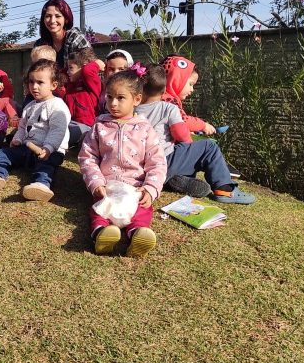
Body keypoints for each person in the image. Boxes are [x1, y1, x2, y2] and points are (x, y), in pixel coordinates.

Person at [78, 67, 167, 258]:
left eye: (120, 98)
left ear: (136, 99)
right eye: (109, 97)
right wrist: (96, 183)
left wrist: (150, 188)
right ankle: (102, 234)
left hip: (136, 187)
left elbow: (157, 162)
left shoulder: (145, 129)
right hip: (107, 185)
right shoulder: (99, 126)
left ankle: (138, 234)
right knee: (100, 209)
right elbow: (88, 157)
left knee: (142, 210)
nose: (113, 103)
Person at [138, 64, 255, 204]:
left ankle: (173, 179)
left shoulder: (128, 109)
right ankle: (225, 189)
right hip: (162, 162)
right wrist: (190, 146)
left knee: (180, 154)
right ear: (165, 88)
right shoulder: (168, 108)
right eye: (191, 84)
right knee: (208, 147)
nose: (192, 89)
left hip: (139, 168)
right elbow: (182, 136)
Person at [0, 60, 71, 202]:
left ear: (53, 85)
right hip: (27, 147)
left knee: (46, 166)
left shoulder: (58, 106)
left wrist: (48, 148)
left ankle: (41, 185)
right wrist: (18, 139)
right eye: (31, 82)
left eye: (40, 82)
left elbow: (58, 131)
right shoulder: (30, 106)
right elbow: (22, 127)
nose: (34, 87)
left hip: (49, 150)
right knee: (1, 154)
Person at [161, 54, 216, 135]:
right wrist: (203, 125)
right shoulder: (167, 100)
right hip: (163, 146)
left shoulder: (159, 97)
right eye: (191, 84)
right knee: (210, 146)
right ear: (176, 79)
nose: (192, 89)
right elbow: (182, 121)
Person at [33, 0, 92, 69]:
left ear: (66, 19)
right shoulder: (40, 44)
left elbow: (89, 67)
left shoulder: (75, 38)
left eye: (57, 16)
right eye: (48, 16)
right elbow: (36, 72)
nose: (52, 21)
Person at [64, 47, 101, 147]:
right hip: (71, 123)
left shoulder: (91, 84)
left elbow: (87, 71)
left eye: (70, 68)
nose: (67, 71)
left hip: (87, 127)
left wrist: (96, 63)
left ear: (83, 68)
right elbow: (60, 73)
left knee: (68, 133)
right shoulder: (71, 85)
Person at [98, 49, 135, 114]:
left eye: (121, 69)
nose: (116, 72)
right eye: (111, 69)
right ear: (105, 69)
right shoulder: (100, 87)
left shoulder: (132, 89)